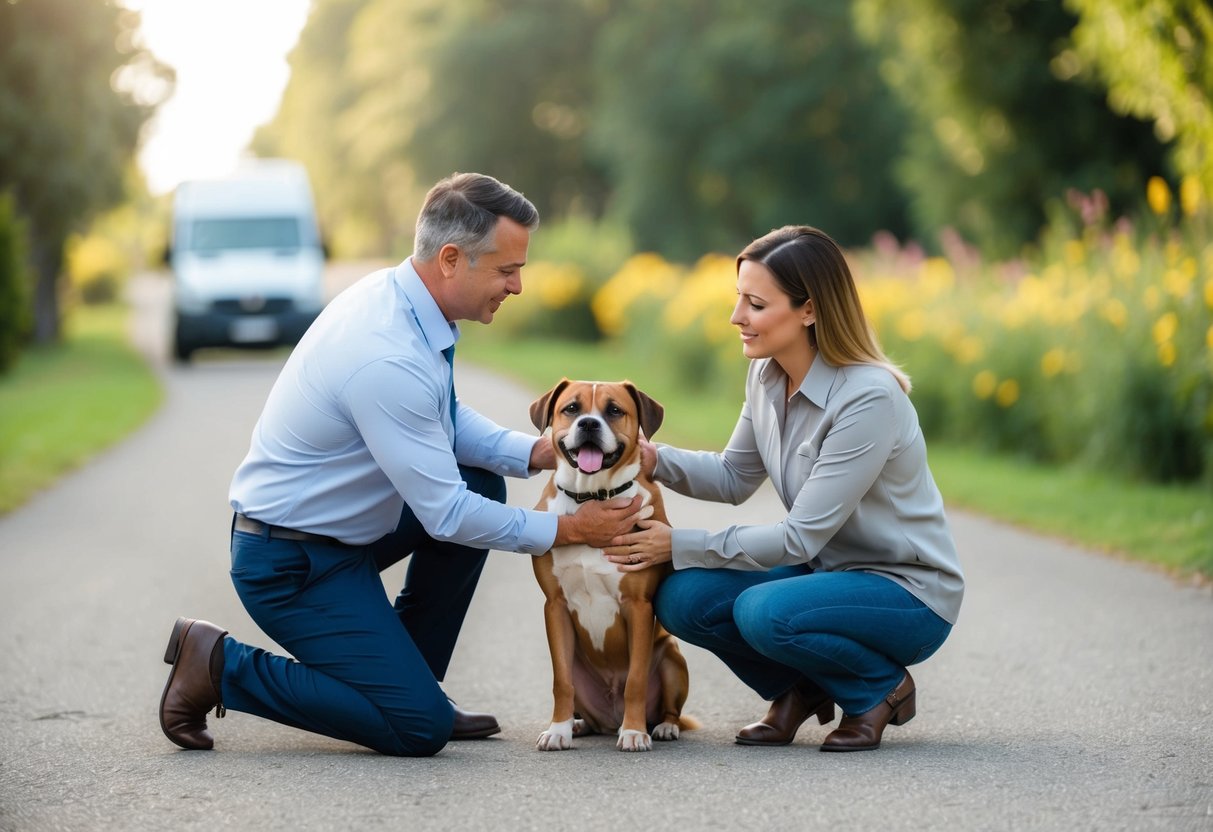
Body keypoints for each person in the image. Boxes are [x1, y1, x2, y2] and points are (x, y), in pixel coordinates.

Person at [158, 172, 644, 757]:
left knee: (480, 477)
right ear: (450, 259)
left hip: (343, 539)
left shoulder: (410, 303)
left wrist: (535, 451)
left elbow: (443, 418)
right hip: (291, 565)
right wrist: (570, 529)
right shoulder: (384, 351)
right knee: (417, 728)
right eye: (507, 270)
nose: (517, 285)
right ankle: (218, 664)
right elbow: (446, 516)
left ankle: (406, 682)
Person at [603, 225, 963, 752]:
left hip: (907, 592)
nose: (736, 317)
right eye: (738, 299)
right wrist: (650, 458)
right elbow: (733, 476)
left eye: (755, 303)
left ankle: (879, 688)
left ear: (809, 310)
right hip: (826, 575)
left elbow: (799, 540)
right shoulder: (768, 375)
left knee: (763, 611)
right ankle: (801, 688)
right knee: (682, 598)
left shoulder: (868, 399)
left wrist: (677, 544)